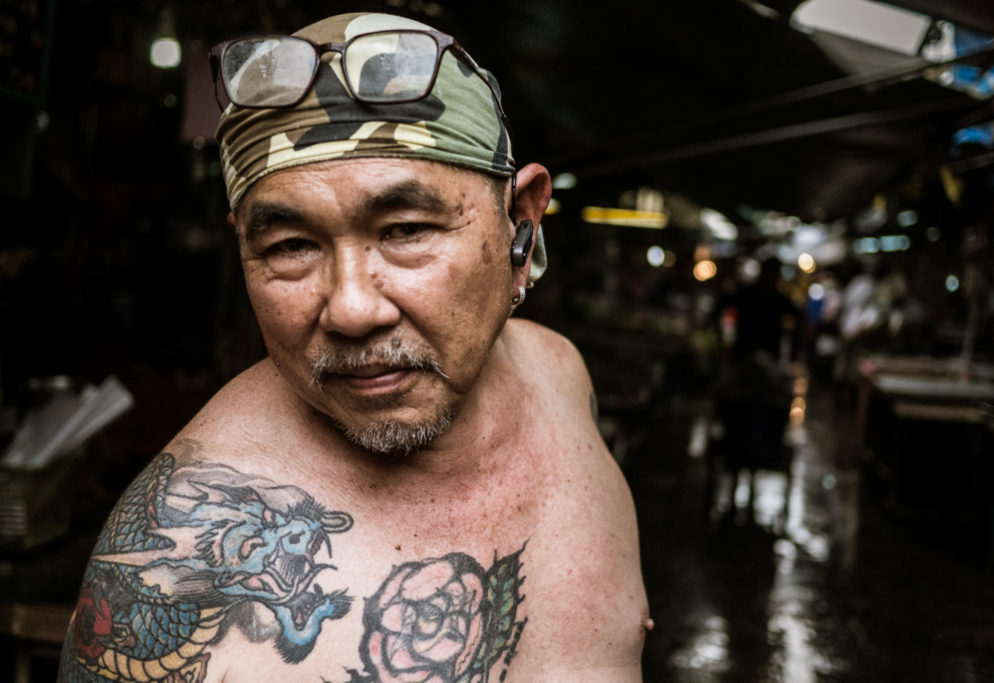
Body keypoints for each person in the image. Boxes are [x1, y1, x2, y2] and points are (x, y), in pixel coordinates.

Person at [59, 11, 650, 683]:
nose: (351, 308)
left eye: (404, 229)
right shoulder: (173, 584)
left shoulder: (560, 376)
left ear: (521, 225)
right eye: (290, 246)